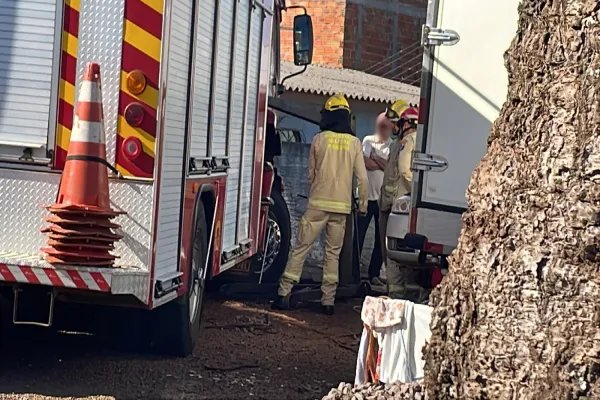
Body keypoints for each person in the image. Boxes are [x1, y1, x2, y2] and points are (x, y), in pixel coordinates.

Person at [273, 93, 369, 315]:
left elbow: (311, 174)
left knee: (301, 248)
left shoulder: (319, 139)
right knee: (332, 253)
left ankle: (283, 292)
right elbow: (363, 179)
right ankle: (328, 302)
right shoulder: (355, 143)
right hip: (341, 208)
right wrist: (362, 205)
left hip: (317, 204)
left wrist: (317, 189)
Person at [379, 104, 419, 299]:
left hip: (398, 206)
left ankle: (396, 295)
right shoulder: (401, 142)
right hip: (394, 204)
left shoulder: (408, 141)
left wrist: (415, 191)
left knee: (393, 252)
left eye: (399, 123)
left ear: (406, 124)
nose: (396, 126)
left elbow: (404, 169)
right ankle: (403, 293)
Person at [356, 112, 393, 287]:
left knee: (380, 240)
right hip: (365, 198)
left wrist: (376, 158)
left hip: (382, 200)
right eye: (380, 126)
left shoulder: (392, 145)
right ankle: (354, 273)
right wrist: (382, 163)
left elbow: (390, 167)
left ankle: (373, 274)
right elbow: (364, 162)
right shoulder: (367, 141)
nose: (382, 130)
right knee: (359, 237)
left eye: (385, 127)